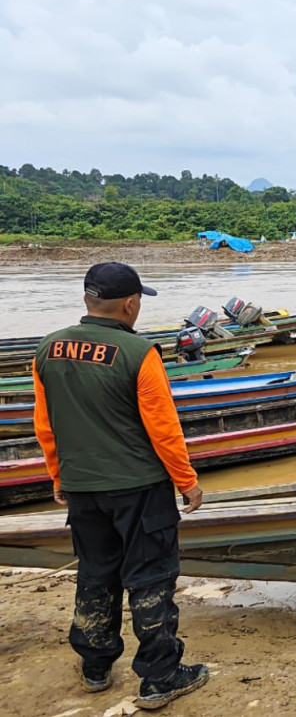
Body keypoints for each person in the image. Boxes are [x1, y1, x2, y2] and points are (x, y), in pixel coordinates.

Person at [32, 262, 209, 710]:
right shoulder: (138, 353)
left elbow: (45, 425)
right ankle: (160, 677)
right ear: (130, 304)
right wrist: (186, 481)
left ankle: (95, 666)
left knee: (96, 573)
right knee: (151, 578)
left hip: (83, 488)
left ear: (88, 299)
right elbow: (163, 429)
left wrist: (58, 476)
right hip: (139, 488)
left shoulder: (48, 349)